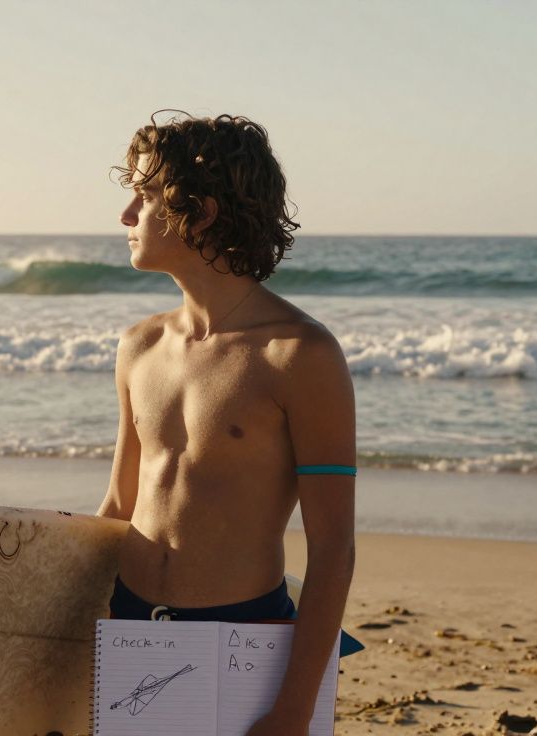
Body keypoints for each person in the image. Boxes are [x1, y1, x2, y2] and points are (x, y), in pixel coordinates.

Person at [96, 110, 358, 736]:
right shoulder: (139, 346)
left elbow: (332, 550)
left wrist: (293, 712)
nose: (127, 217)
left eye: (147, 195)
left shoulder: (299, 355)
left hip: (240, 637)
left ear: (201, 211)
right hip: (131, 625)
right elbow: (118, 504)